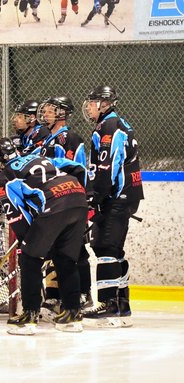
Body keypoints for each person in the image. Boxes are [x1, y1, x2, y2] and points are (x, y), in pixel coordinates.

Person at [0, 137, 89, 335]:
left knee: (29, 258)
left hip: (54, 204)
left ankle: (29, 315)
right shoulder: (36, 157)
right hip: (77, 196)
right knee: (66, 259)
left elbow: (16, 214)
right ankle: (72, 313)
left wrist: (27, 242)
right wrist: (87, 193)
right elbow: (77, 167)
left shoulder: (4, 177)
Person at [81, 86, 143, 328]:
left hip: (115, 196)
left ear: (104, 104)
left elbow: (109, 166)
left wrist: (97, 196)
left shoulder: (109, 127)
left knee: (105, 245)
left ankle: (109, 305)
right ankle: (122, 302)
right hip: (125, 196)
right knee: (114, 249)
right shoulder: (117, 123)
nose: (88, 106)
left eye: (93, 102)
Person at [34, 96, 90, 320]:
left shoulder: (70, 138)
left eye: (50, 110)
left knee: (77, 251)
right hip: (53, 202)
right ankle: (55, 295)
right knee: (54, 251)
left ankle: (84, 295)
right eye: (45, 110)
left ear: (62, 113)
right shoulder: (47, 140)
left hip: (69, 201)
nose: (45, 114)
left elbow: (77, 170)